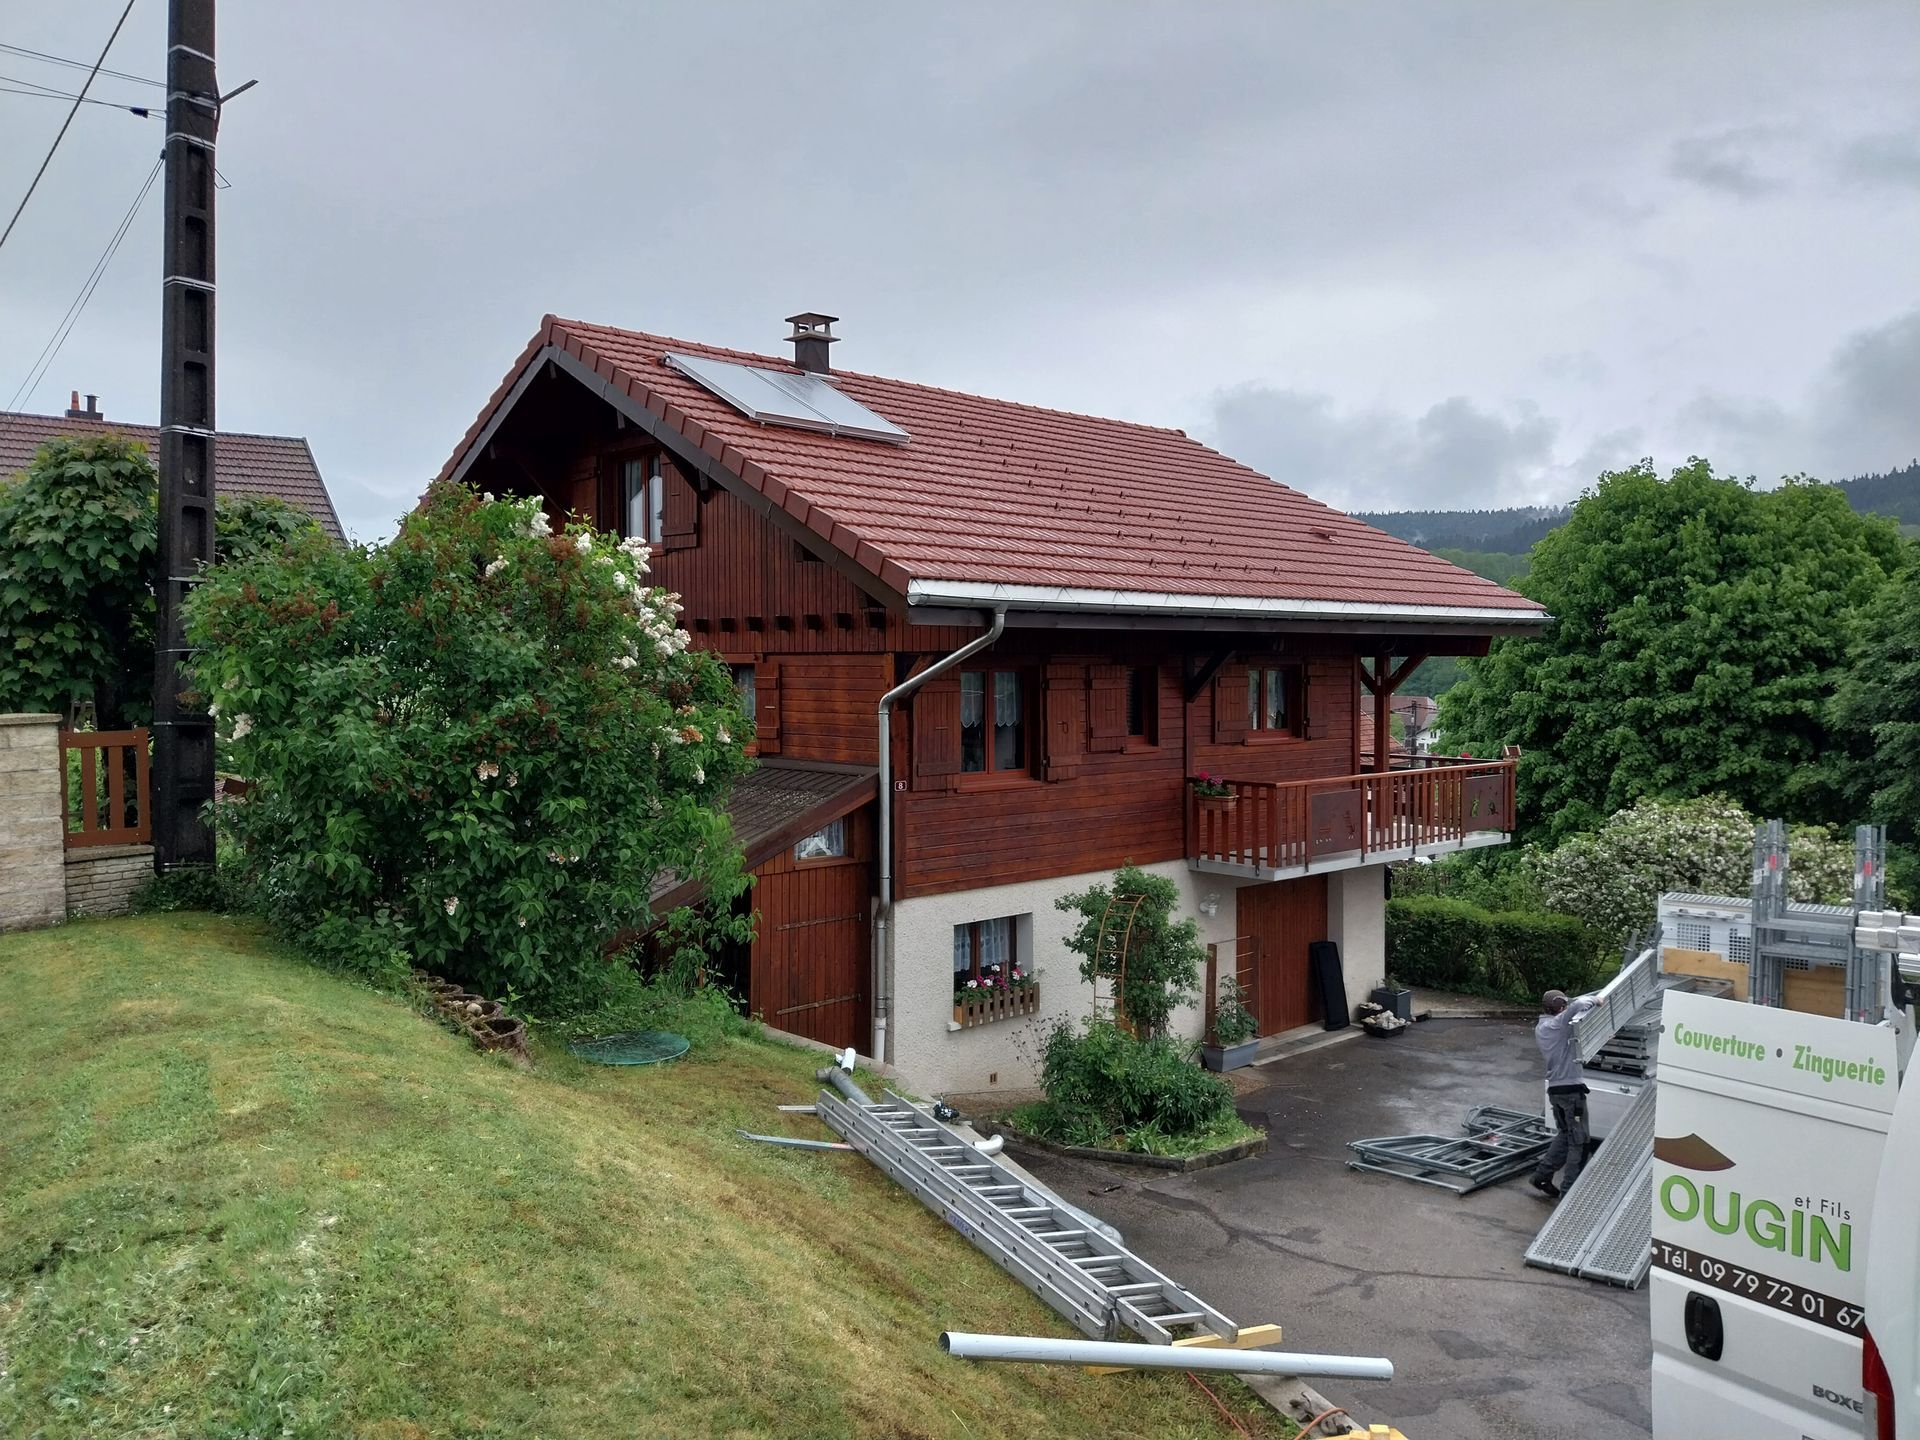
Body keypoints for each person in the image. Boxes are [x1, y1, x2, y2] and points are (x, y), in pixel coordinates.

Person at [1530, 988, 1596, 1200]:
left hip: (1556, 1090)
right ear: (1560, 1007)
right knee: (1579, 1141)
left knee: (1565, 1135)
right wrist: (1598, 999)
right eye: (1563, 1005)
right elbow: (1579, 1005)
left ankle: (1541, 1176)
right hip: (1571, 1092)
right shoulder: (1559, 1024)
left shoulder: (1541, 1027)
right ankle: (1569, 1194)